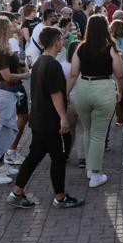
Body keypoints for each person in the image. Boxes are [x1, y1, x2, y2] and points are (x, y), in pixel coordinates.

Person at [7, 26, 84, 209]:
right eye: (61, 40)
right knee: (58, 158)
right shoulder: (52, 64)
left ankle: (17, 192)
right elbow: (56, 93)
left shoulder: (40, 62)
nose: (63, 43)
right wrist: (63, 117)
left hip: (39, 119)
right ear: (56, 41)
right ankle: (60, 197)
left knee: (34, 156)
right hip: (50, 121)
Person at [69, 15, 123, 187]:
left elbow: (73, 73)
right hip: (104, 88)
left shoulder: (80, 47)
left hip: (83, 87)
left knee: (87, 130)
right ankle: (95, 173)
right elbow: (120, 74)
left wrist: (65, 93)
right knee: (99, 134)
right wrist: (119, 90)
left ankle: (89, 169)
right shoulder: (110, 48)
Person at [0, 17, 32, 185]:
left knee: (5, 130)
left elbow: (11, 68)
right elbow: (7, 76)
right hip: (4, 91)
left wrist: (21, 65)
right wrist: (26, 75)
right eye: (11, 25)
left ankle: (1, 164)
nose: (14, 26)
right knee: (0, 131)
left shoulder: (4, 46)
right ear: (4, 28)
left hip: (9, 91)